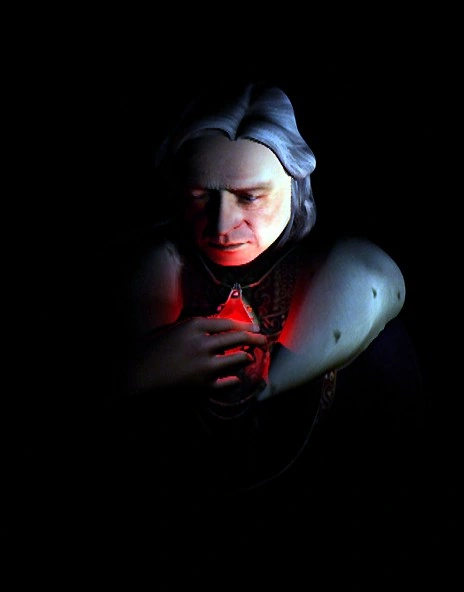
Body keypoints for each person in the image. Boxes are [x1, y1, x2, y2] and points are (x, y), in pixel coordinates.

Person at [95, 81, 425, 552]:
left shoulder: (339, 280)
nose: (221, 225)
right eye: (199, 196)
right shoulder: (139, 273)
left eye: (249, 198)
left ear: (294, 185)